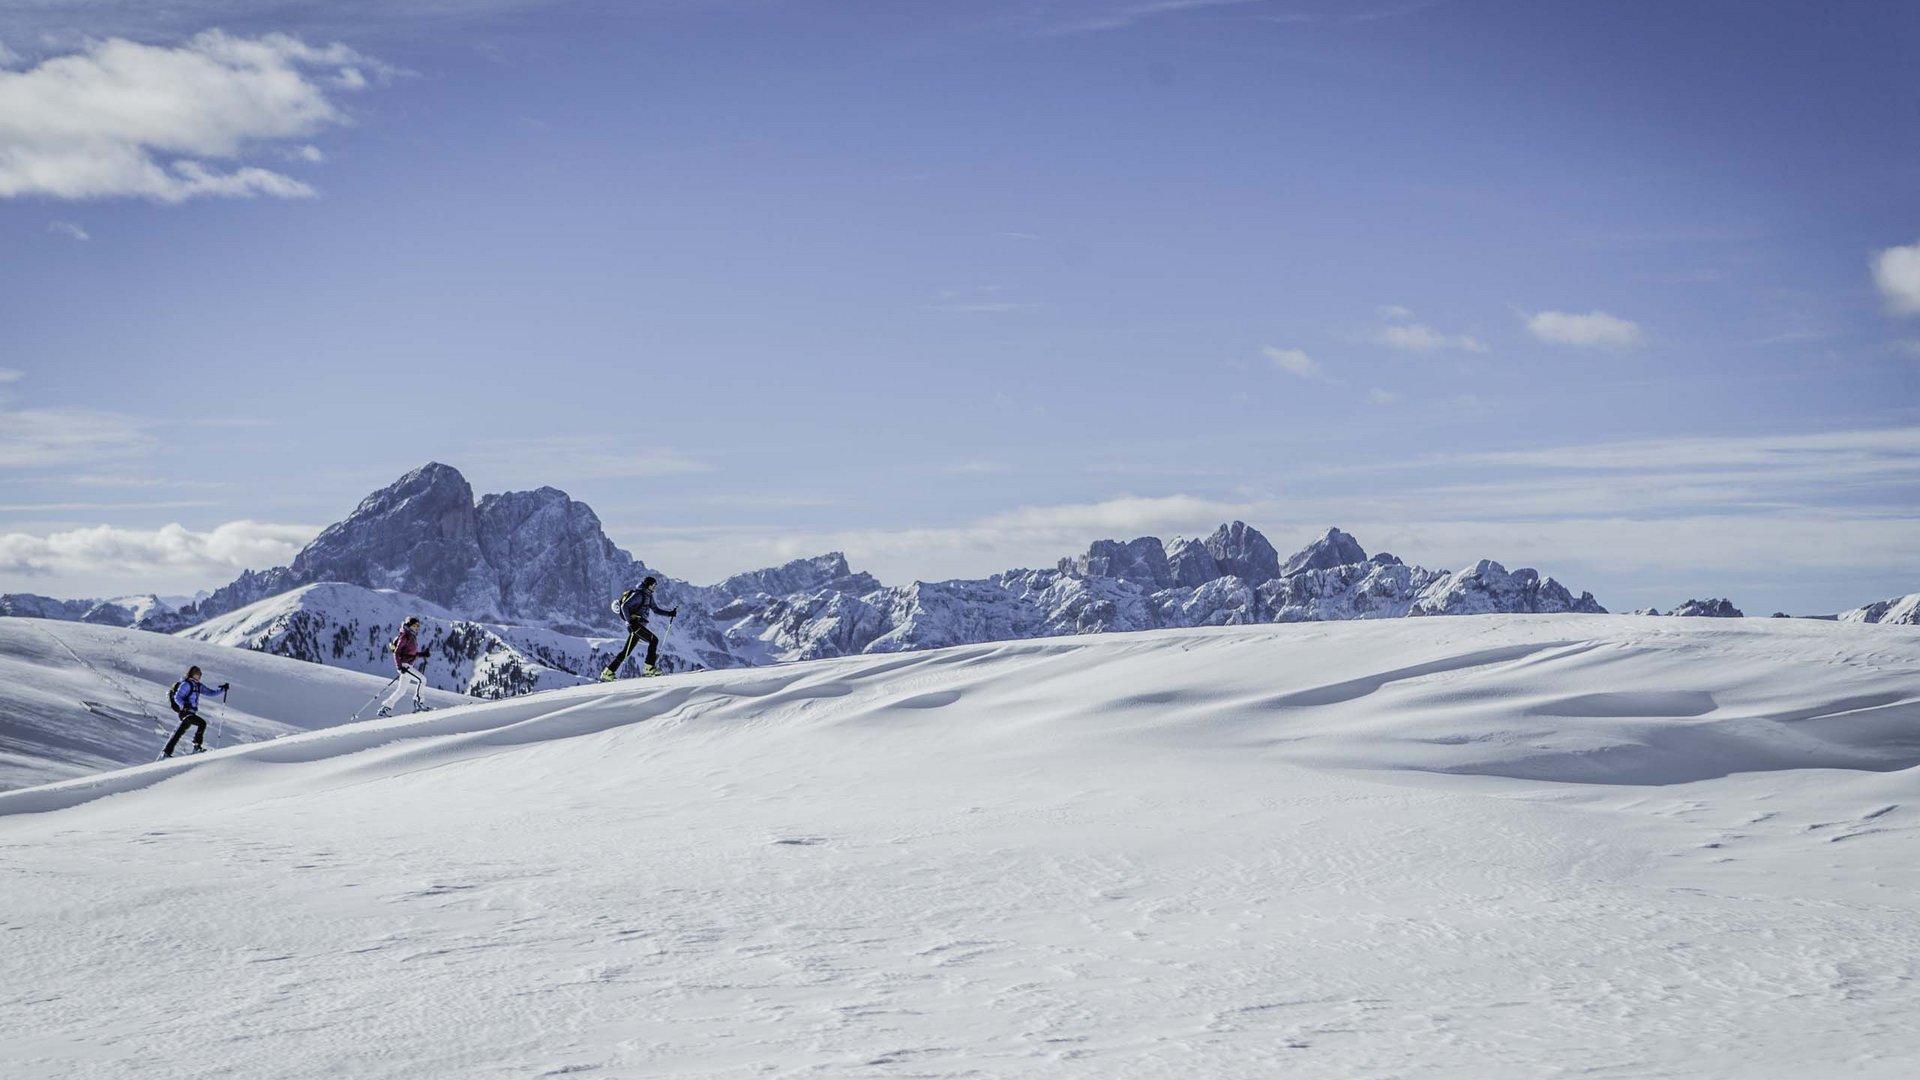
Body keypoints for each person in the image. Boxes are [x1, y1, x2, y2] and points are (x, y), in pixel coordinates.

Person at [602, 575, 677, 680]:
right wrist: (630, 621)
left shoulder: (648, 596)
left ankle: (608, 672)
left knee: (626, 652)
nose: (654, 587)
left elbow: (655, 609)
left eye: (655, 585)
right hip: (634, 625)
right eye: (653, 585)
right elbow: (624, 606)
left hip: (638, 625)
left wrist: (670, 613)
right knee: (653, 640)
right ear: (648, 585)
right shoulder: (639, 594)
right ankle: (649, 667)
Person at [165, 665, 228, 758]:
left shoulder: (197, 685)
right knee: (202, 723)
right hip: (185, 712)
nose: (200, 675)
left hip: (191, 713)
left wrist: (222, 689)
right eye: (198, 673)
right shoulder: (186, 684)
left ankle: (166, 752)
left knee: (179, 733)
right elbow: (177, 697)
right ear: (192, 673)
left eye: (200, 674)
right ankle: (196, 746)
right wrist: (184, 704)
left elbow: (210, 692)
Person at [378, 615, 433, 717]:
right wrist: (399, 666)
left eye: (418, 626)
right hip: (404, 666)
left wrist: (422, 654)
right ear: (410, 625)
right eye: (415, 625)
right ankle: (418, 703)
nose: (417, 627)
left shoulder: (411, 636)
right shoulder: (405, 636)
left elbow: (410, 653)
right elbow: (397, 652)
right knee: (422, 680)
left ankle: (385, 708)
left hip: (407, 666)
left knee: (401, 690)